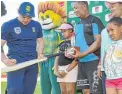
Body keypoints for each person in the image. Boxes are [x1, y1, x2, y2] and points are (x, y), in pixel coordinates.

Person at [1, 2, 44, 94]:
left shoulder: (36, 25)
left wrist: (40, 53)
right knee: (14, 91)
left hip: (32, 62)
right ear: (18, 12)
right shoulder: (8, 25)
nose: (26, 20)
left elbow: (40, 41)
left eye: (29, 17)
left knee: (28, 91)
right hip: (16, 62)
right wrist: (4, 59)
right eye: (23, 16)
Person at [73, 1, 105, 94]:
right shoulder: (78, 23)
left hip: (93, 61)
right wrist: (73, 53)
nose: (75, 11)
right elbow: (79, 44)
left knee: (96, 91)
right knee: (85, 91)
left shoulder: (95, 20)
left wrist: (83, 53)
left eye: (76, 8)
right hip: (81, 63)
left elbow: (98, 42)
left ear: (84, 7)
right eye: (74, 9)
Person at [97, 2, 122, 94]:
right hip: (108, 75)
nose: (111, 8)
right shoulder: (106, 28)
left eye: (113, 6)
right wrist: (100, 65)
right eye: (110, 7)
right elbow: (105, 50)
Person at [54, 23, 78, 94]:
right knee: (63, 91)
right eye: (61, 31)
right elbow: (57, 57)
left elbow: (76, 60)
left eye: (64, 31)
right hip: (60, 68)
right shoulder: (61, 44)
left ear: (70, 30)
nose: (62, 33)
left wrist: (66, 71)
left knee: (70, 91)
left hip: (71, 68)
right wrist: (56, 69)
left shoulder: (75, 42)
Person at [104, 17, 122, 94]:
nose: (110, 33)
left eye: (112, 30)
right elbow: (105, 59)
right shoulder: (108, 46)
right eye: (108, 31)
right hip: (109, 80)